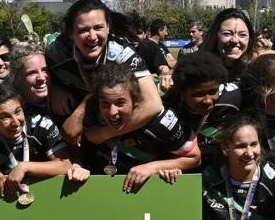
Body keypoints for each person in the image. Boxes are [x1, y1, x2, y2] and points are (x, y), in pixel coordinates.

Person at [42, 0, 163, 145]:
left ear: (108, 27)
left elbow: (153, 104)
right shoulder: (56, 52)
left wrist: (105, 133)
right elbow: (38, 67)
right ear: (70, 34)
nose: (92, 37)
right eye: (83, 30)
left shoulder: (121, 53)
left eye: (98, 27)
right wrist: (54, 87)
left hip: (104, 121)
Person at [80, 63, 200, 193]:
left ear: (135, 101)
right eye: (105, 104)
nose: (112, 112)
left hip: (145, 195)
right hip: (102, 190)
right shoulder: (90, 115)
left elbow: (194, 158)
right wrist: (77, 164)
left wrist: (153, 167)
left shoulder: (162, 122)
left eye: (120, 103)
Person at [165, 51, 241, 165]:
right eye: (198, 94)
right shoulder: (167, 105)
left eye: (213, 91)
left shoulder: (233, 96)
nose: (207, 100)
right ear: (181, 91)